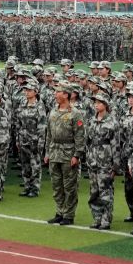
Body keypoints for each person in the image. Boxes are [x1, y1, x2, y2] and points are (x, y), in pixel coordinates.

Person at [44, 86, 85, 225]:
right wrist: (47, 152)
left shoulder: (75, 113)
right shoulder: (53, 111)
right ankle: (60, 211)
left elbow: (80, 136)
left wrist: (77, 155)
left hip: (68, 153)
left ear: (66, 95)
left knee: (69, 186)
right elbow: (49, 134)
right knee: (57, 185)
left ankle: (68, 214)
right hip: (54, 152)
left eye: (58, 92)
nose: (55, 94)